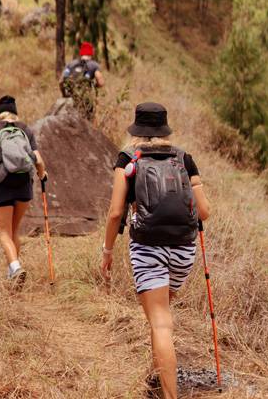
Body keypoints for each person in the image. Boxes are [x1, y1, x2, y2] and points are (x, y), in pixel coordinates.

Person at [101, 102, 211, 399]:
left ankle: (169, 394)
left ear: (137, 129)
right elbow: (204, 211)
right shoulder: (184, 158)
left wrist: (107, 251)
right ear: (164, 128)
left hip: (147, 247)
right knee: (159, 313)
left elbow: (114, 213)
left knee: (160, 322)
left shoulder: (127, 158)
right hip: (183, 251)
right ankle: (156, 377)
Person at [0, 95, 47, 285]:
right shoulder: (25, 129)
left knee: (3, 231)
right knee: (15, 230)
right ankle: (13, 272)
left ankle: (15, 267)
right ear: (15, 112)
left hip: (3, 184)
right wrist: (42, 175)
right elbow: (38, 160)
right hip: (24, 183)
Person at [59, 41, 104, 120]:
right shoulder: (93, 65)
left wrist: (64, 95)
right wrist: (95, 86)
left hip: (70, 98)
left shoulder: (71, 64)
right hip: (85, 99)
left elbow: (61, 81)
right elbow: (101, 82)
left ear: (81, 53)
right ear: (91, 53)